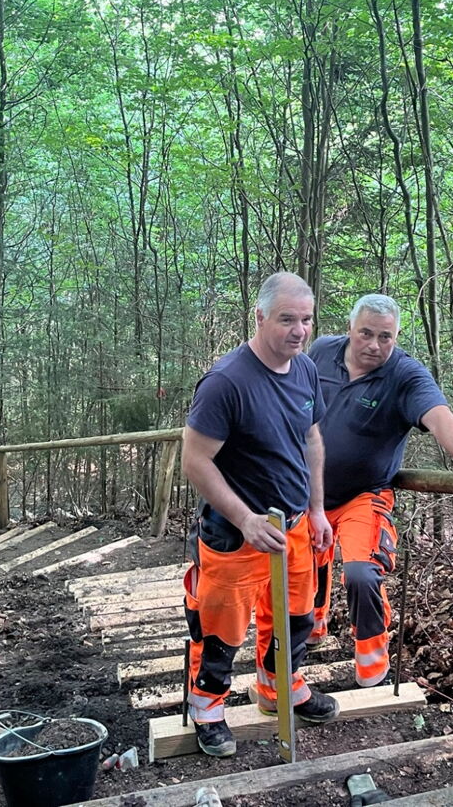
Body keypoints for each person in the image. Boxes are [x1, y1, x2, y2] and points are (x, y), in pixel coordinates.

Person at [308, 293, 453, 688]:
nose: (375, 345)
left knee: (363, 574)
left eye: (386, 337)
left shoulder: (405, 374)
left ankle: (371, 660)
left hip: (364, 495)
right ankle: (312, 627)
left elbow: (439, 416)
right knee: (303, 567)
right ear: (350, 328)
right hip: (306, 491)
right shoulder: (319, 352)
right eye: (366, 333)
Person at [181, 271, 341, 758]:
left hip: (293, 525)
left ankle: (280, 688)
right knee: (223, 626)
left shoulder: (306, 370)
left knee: (294, 617)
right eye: (287, 319)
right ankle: (208, 707)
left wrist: (316, 510)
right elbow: (196, 460)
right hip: (235, 531)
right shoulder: (226, 381)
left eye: (306, 320)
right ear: (260, 317)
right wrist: (247, 518)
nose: (298, 330)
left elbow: (311, 441)